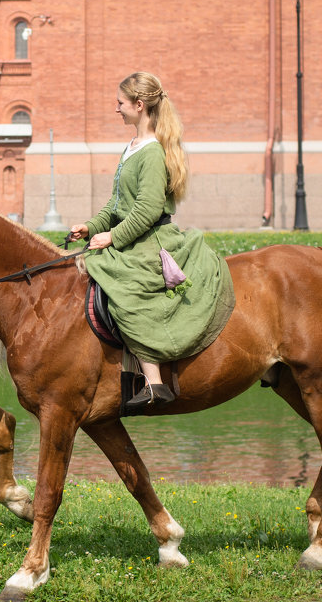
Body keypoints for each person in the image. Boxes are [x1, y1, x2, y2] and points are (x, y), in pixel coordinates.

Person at [68, 72, 234, 408]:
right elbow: (116, 204)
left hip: (152, 240)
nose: (117, 109)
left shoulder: (153, 152)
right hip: (133, 235)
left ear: (139, 105)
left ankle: (154, 382)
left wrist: (112, 237)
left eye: (120, 103)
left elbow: (146, 210)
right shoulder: (131, 148)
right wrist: (90, 227)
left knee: (125, 289)